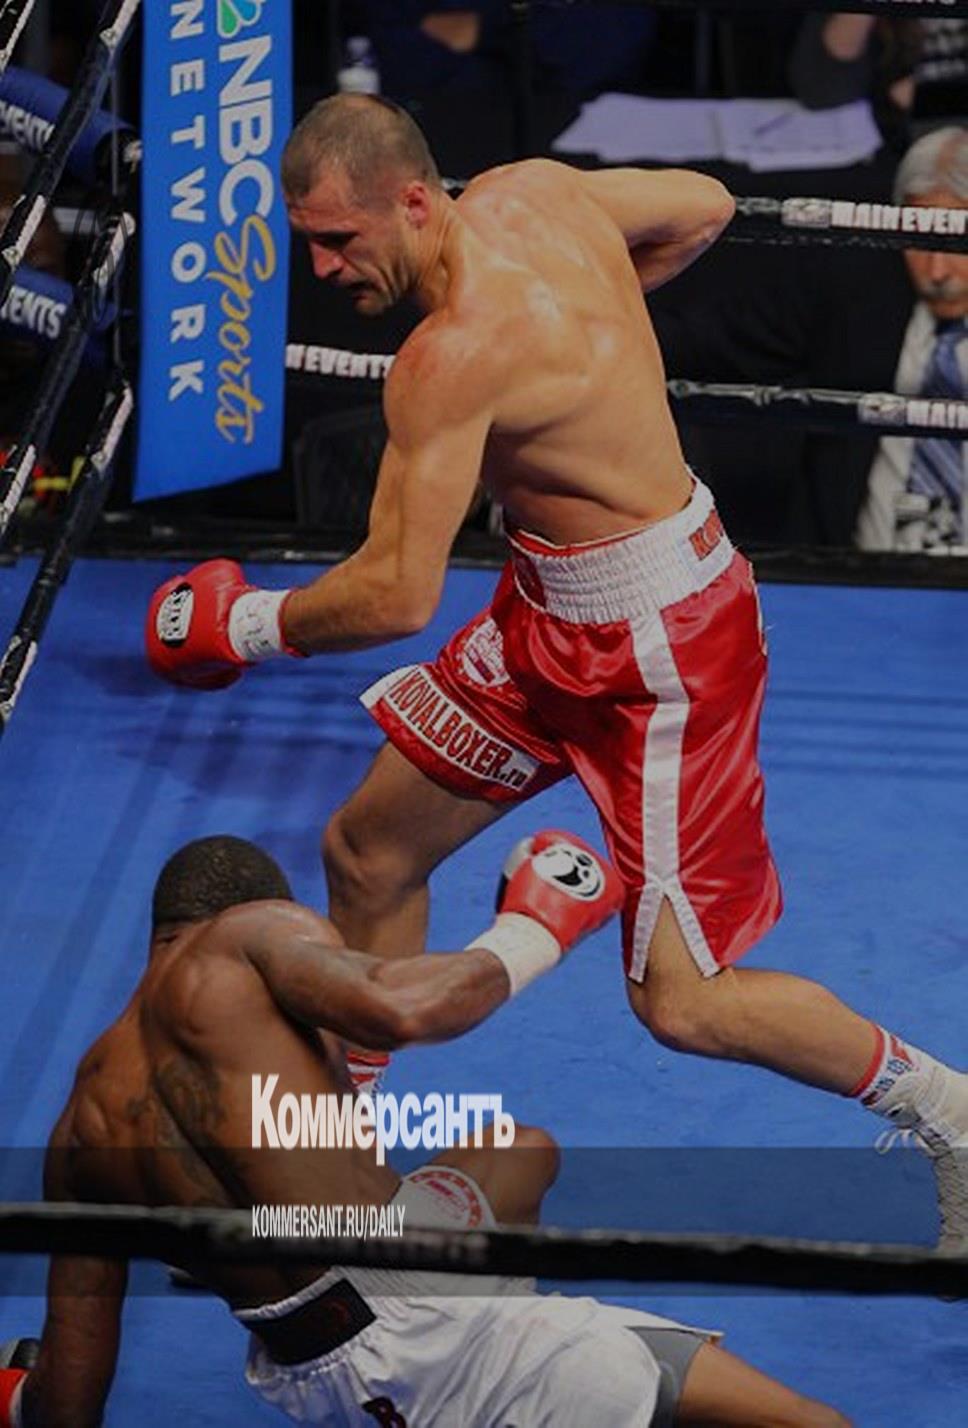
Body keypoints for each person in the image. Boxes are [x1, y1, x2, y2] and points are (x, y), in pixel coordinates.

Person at [145, 95, 968, 1249]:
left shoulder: (447, 358)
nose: (322, 268)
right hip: (545, 607)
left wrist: (241, 626)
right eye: (309, 243)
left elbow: (394, 596)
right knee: (368, 852)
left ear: (415, 201)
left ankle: (950, 1114)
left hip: (663, 647)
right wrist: (594, 337)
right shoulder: (531, 188)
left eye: (338, 239)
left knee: (683, 1005)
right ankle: (338, 1163)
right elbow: (702, 204)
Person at [0, 832, 849, 1428]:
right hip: (429, 1319)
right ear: (264, 909)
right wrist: (535, 928)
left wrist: (19, 1395)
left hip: (322, 1378)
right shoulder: (248, 938)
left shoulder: (78, 1132)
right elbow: (400, 1009)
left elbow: (68, 1406)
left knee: (519, 1153)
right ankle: (521, 1370)